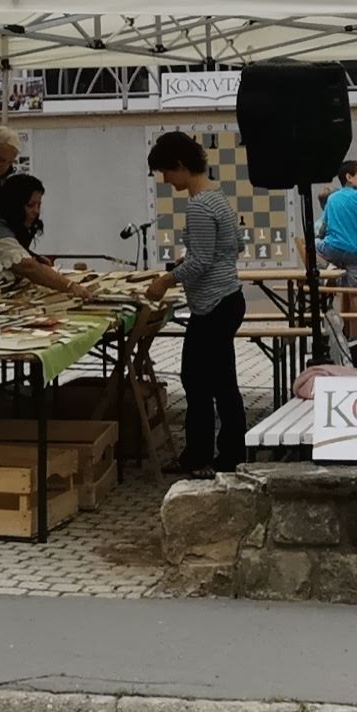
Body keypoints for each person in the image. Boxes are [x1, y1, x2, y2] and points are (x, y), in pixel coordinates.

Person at [146, 128, 246, 479]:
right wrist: (188, 262)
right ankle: (221, 452)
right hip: (227, 299)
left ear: (179, 165)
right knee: (217, 380)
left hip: (213, 304)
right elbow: (235, 246)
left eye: (165, 172)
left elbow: (202, 261)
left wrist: (166, 280)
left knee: (202, 382)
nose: (165, 180)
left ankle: (212, 455)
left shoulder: (200, 206)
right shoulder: (218, 197)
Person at [0, 172, 102, 296]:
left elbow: (20, 257)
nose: (36, 211)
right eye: (30, 205)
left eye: (39, 205)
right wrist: (70, 286)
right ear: (14, 205)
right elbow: (27, 267)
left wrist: (34, 257)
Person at [319, 160, 357, 285]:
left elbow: (323, 226)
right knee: (355, 287)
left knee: (312, 244)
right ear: (349, 177)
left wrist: (320, 236)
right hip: (356, 250)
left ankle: (328, 267)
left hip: (333, 248)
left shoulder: (332, 198)